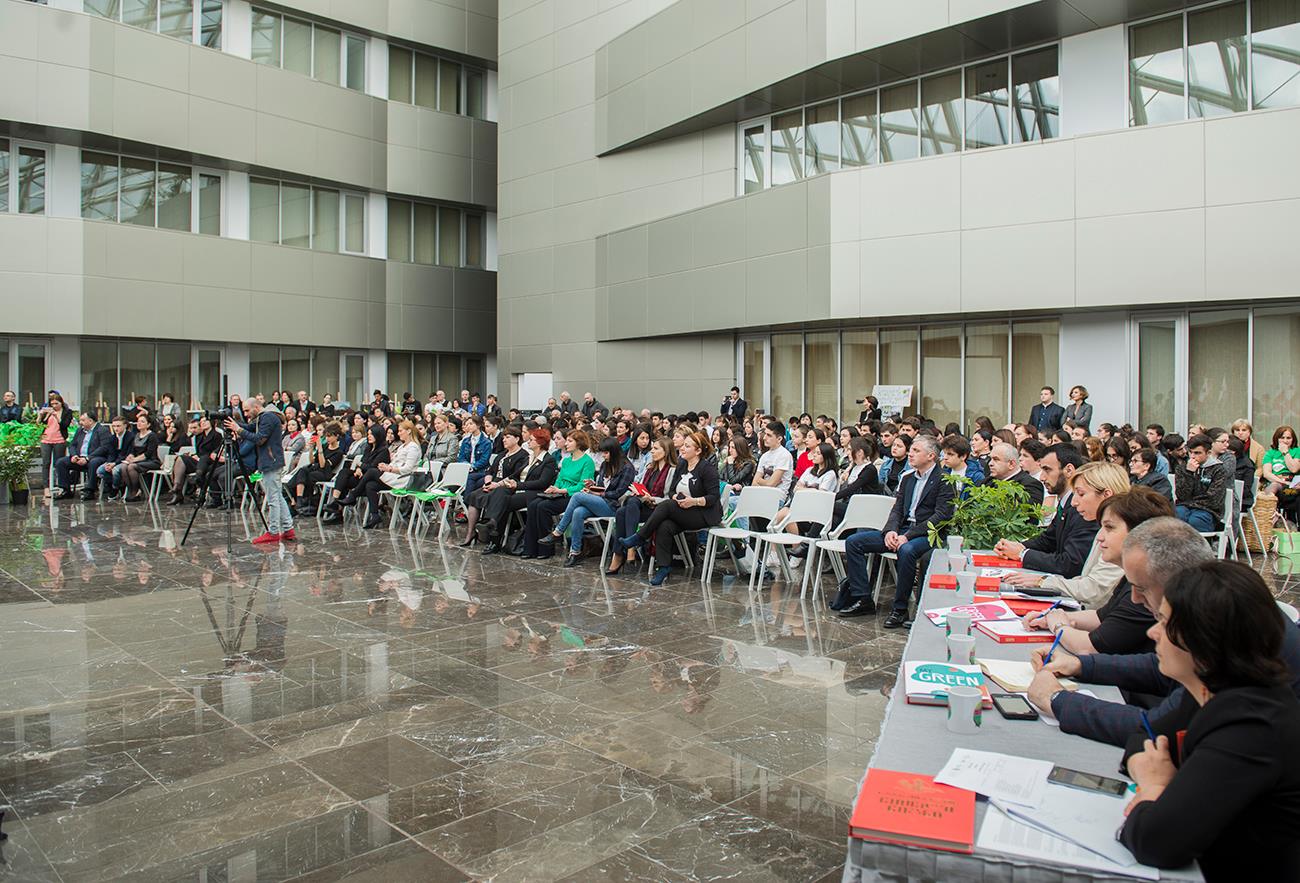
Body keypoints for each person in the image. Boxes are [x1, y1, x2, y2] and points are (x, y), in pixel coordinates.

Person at [1118, 561, 1300, 880]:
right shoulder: (1208, 688)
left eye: (1165, 623)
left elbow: (1157, 841)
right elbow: (1142, 736)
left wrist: (1155, 785)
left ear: (1203, 640)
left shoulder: (1252, 725)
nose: (1152, 632)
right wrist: (1153, 778)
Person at [1026, 518, 1224, 745]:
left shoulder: (1216, 638)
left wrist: (1056, 698)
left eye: (1141, 588)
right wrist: (1080, 665)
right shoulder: (1201, 614)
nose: (1135, 598)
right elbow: (1156, 667)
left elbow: (1152, 726)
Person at [1021, 487, 1171, 656]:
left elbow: (1089, 647)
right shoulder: (1133, 577)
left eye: (1109, 528)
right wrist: (1055, 617)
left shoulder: (1151, 585)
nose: (1099, 537)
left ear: (1141, 533)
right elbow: (1101, 616)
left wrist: (1059, 626)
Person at [837, 435, 955, 626]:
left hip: (927, 534)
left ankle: (900, 609)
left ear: (931, 456)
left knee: (906, 550)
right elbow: (897, 510)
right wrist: (890, 531)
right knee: (854, 542)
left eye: (916, 450)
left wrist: (907, 536)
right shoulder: (908, 478)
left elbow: (941, 516)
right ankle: (862, 598)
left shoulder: (944, 480)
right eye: (911, 450)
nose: (910, 454)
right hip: (902, 530)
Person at [1002, 462, 1128, 606]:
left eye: (1081, 494)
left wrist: (1042, 581)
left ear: (1106, 495)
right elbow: (1085, 578)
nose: (1074, 502)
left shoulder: (1122, 535)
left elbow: (1093, 588)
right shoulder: (1103, 528)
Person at [616, 431, 722, 586]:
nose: (682, 449)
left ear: (698, 451)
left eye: (687, 446)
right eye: (683, 445)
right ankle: (664, 567)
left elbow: (713, 497)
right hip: (684, 509)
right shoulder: (682, 465)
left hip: (704, 513)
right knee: (665, 525)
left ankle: (640, 537)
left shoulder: (707, 469)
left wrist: (693, 501)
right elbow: (672, 490)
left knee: (666, 505)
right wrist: (676, 497)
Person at [994, 443, 1094, 576]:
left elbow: (1070, 563)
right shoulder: (1065, 503)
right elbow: (1048, 540)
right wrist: (1016, 547)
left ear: (1069, 470)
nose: (1042, 477)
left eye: (1047, 470)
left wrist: (1022, 554)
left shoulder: (1082, 508)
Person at [541, 437, 636, 566]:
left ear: (614, 452)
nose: (603, 456)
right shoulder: (605, 464)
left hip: (615, 506)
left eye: (606, 453)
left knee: (577, 496)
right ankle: (575, 552)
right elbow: (602, 486)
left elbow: (618, 493)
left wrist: (599, 493)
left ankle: (558, 531)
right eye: (602, 453)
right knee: (578, 512)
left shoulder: (627, 468)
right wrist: (593, 485)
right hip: (601, 501)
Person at [521, 430, 596, 559]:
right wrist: (554, 488)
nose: (566, 443)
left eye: (570, 441)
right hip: (559, 493)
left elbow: (582, 486)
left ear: (579, 443)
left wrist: (561, 491)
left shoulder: (587, 461)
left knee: (543, 507)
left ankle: (545, 549)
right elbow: (559, 479)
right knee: (533, 505)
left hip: (573, 496)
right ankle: (530, 548)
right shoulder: (566, 461)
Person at [225, 400, 293, 542]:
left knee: (273, 498)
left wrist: (238, 430)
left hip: (271, 461)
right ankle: (288, 529)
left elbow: (260, 439)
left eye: (247, 410)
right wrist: (234, 425)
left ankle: (273, 532)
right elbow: (250, 427)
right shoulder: (264, 417)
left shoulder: (267, 417)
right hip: (271, 460)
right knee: (277, 496)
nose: (246, 414)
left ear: (256, 407)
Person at [606, 437, 676, 575]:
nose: (652, 451)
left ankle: (621, 553)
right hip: (643, 506)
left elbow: (670, 498)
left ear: (666, 451)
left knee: (626, 509)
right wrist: (639, 493)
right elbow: (641, 487)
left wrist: (651, 498)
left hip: (660, 509)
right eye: (652, 448)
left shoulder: (672, 471)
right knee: (623, 509)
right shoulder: (650, 469)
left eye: (656, 448)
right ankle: (628, 549)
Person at [462, 426, 528, 546]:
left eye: (508, 437)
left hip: (507, 486)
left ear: (517, 439)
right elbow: (490, 470)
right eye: (503, 437)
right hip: (492, 483)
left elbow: (515, 475)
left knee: (494, 495)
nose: (504, 440)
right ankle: (470, 532)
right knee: (474, 496)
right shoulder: (502, 454)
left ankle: (488, 528)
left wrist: (497, 484)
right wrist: (488, 482)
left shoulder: (523, 455)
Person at [322, 425, 388, 525]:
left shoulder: (383, 451)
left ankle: (343, 503)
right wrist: (359, 468)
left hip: (370, 479)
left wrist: (361, 466)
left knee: (349, 481)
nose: (369, 436)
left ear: (378, 435)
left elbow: (373, 467)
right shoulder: (368, 448)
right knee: (344, 473)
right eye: (368, 434)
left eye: (372, 434)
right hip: (362, 477)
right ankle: (336, 502)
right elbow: (363, 463)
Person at [1173, 433, 1229, 532]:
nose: (1192, 456)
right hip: (1185, 506)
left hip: (1208, 509)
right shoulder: (1182, 468)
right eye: (1190, 452)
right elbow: (1181, 495)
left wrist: (1192, 502)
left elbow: (1214, 499)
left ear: (1208, 453)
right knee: (1177, 516)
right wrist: (1189, 473)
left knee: (1196, 521)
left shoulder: (1218, 470)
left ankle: (1203, 542)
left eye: (1197, 453)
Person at [53, 413, 111, 500]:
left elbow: (104, 448)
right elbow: (72, 445)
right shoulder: (80, 430)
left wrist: (87, 458)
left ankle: (90, 490)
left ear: (90, 421)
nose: (80, 422)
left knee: (93, 463)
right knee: (61, 462)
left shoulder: (102, 430)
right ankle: (66, 490)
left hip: (95, 457)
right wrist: (74, 455)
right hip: (79, 457)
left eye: (83, 420)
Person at [291, 422, 344, 514]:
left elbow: (323, 465)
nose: (327, 438)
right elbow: (312, 461)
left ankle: (298, 500)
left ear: (336, 436)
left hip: (325, 473)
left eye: (329, 436)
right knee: (303, 470)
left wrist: (319, 448)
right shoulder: (325, 446)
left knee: (306, 475)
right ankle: (299, 500)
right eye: (326, 436)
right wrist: (311, 448)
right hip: (316, 469)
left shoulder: (338, 452)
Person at [114, 412, 161, 503]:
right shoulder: (136, 435)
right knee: (124, 466)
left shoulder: (152, 436)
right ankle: (131, 489)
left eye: (142, 422)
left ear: (148, 424)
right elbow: (133, 450)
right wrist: (130, 456)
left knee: (131, 467)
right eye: (138, 421)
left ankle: (136, 490)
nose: (139, 423)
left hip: (151, 461)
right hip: (138, 460)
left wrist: (134, 460)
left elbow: (148, 453)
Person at [37, 393, 73, 497]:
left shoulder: (67, 412)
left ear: (61, 403)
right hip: (46, 439)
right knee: (46, 463)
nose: (54, 406)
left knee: (59, 463)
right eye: (52, 404)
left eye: (56, 403)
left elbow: (64, 425)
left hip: (59, 439)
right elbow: (39, 424)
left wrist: (56, 416)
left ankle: (61, 486)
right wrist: (40, 415)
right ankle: (46, 488)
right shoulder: (48, 412)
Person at [96, 416, 134, 500]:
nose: (116, 428)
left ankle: (115, 488)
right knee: (100, 470)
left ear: (125, 426)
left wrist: (114, 463)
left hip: (125, 461)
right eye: (114, 426)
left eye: (118, 426)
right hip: (114, 460)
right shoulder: (112, 438)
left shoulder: (131, 437)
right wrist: (109, 463)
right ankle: (115, 485)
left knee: (116, 470)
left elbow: (127, 454)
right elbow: (111, 453)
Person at [458, 415, 493, 496]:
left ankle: (466, 500)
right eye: (467, 424)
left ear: (478, 425)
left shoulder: (486, 442)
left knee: (470, 479)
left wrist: (472, 466)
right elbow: (461, 457)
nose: (468, 426)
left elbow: (484, 460)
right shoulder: (465, 441)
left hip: (481, 470)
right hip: (466, 469)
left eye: (471, 424)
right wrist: (466, 465)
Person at [1261, 425, 1300, 496]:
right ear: (1277, 439)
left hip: (1293, 482)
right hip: (1276, 481)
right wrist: (1284, 482)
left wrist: (1285, 453)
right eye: (1282, 438)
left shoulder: (1297, 451)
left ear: (1293, 439)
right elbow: (1267, 474)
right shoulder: (1270, 453)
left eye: (1288, 438)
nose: (1285, 441)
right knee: (1274, 486)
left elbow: (1294, 469)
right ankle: (1270, 499)